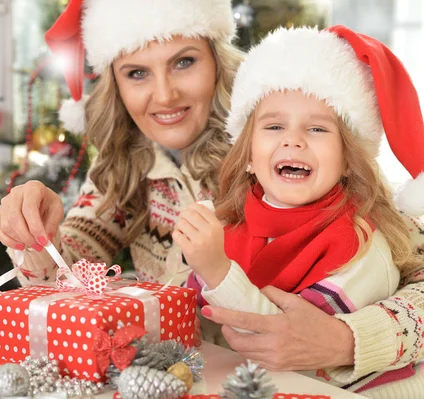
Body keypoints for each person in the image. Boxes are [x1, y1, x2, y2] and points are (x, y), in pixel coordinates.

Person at [0, 0, 424, 381]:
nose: (164, 94)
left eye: (184, 62)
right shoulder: (125, 167)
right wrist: (35, 235)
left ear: (218, 61)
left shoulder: (291, 151)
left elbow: (408, 267)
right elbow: (67, 272)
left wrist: (348, 340)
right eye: (137, 72)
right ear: (116, 87)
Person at [174, 26, 424, 397]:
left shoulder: (357, 246)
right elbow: (199, 324)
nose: (293, 139)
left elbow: (291, 350)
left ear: (347, 162)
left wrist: (217, 271)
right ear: (247, 158)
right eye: (274, 126)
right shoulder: (232, 222)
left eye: (317, 128)